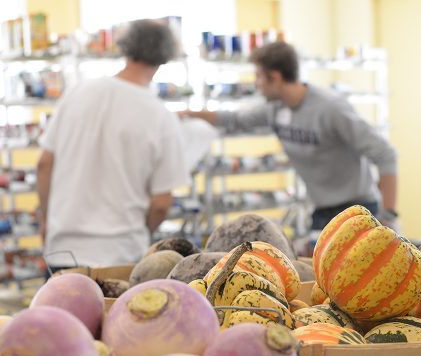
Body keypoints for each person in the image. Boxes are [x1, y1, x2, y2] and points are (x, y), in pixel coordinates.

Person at [180, 41, 399, 232]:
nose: (255, 83)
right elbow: (235, 119)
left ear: (275, 78)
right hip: (323, 211)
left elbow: (385, 154)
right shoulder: (275, 108)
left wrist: (388, 215)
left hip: (358, 209)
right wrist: (188, 113)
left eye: (258, 76)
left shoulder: (331, 109)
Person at [36, 19, 188, 269]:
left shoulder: (77, 94)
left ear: (125, 47)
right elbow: (161, 204)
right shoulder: (160, 117)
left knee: (58, 308)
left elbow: (44, 164)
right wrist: (141, 231)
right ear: (165, 57)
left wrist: (46, 221)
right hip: (120, 254)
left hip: (63, 249)